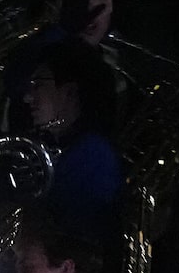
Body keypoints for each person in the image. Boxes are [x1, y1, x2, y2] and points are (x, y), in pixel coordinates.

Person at [21, 38, 126, 242]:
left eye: (38, 85)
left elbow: (64, 236)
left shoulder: (93, 157)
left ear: (70, 92)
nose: (28, 97)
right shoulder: (77, 150)